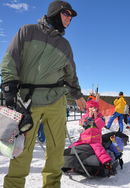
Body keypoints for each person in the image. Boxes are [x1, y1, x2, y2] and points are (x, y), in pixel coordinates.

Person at [1, 1, 86, 187]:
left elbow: (71, 75)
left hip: (56, 101)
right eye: (66, 14)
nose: (69, 19)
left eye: (71, 16)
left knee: (56, 150)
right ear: (55, 13)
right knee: (22, 150)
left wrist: (78, 95)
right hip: (28, 100)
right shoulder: (27, 31)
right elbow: (10, 59)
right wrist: (8, 88)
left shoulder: (65, 45)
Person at [71, 100, 112, 167]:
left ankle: (106, 162)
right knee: (73, 146)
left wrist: (96, 117)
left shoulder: (100, 116)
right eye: (91, 107)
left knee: (99, 150)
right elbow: (83, 124)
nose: (93, 109)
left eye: (95, 108)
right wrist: (89, 117)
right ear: (88, 108)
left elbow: (101, 124)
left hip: (95, 140)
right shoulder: (85, 116)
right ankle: (68, 161)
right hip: (84, 139)